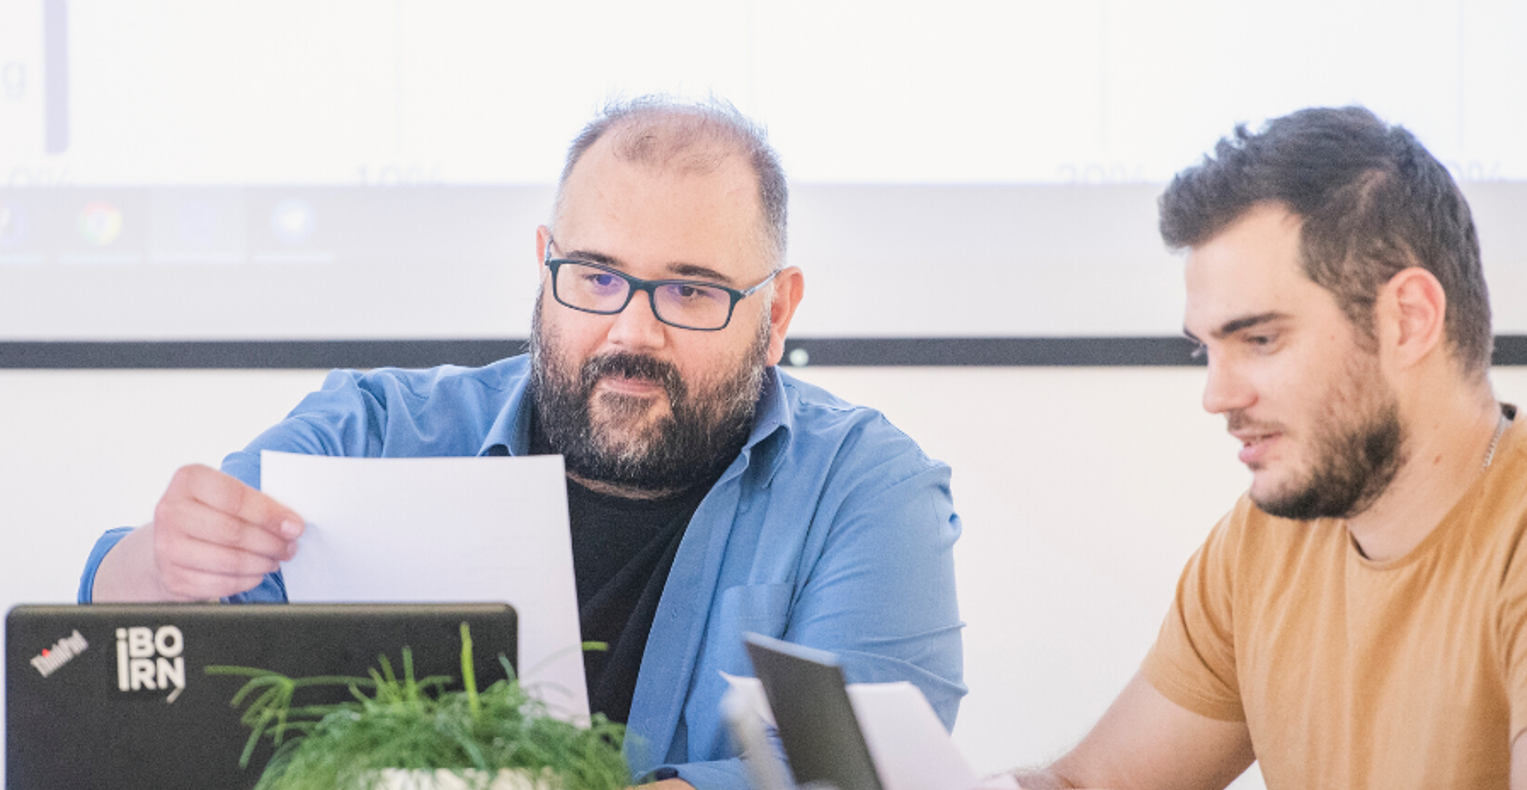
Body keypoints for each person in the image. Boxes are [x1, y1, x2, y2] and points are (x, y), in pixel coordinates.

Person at [80, 97, 965, 790]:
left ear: (777, 313)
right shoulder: (375, 432)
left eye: (691, 293)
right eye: (597, 276)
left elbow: (847, 777)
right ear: (545, 265)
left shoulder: (868, 490)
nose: (632, 330)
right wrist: (166, 559)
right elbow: (125, 639)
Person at [1015, 107, 1527, 789]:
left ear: (1407, 320)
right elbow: (1093, 785)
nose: (1217, 395)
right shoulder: (1263, 541)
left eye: (1259, 340)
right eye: (1207, 350)